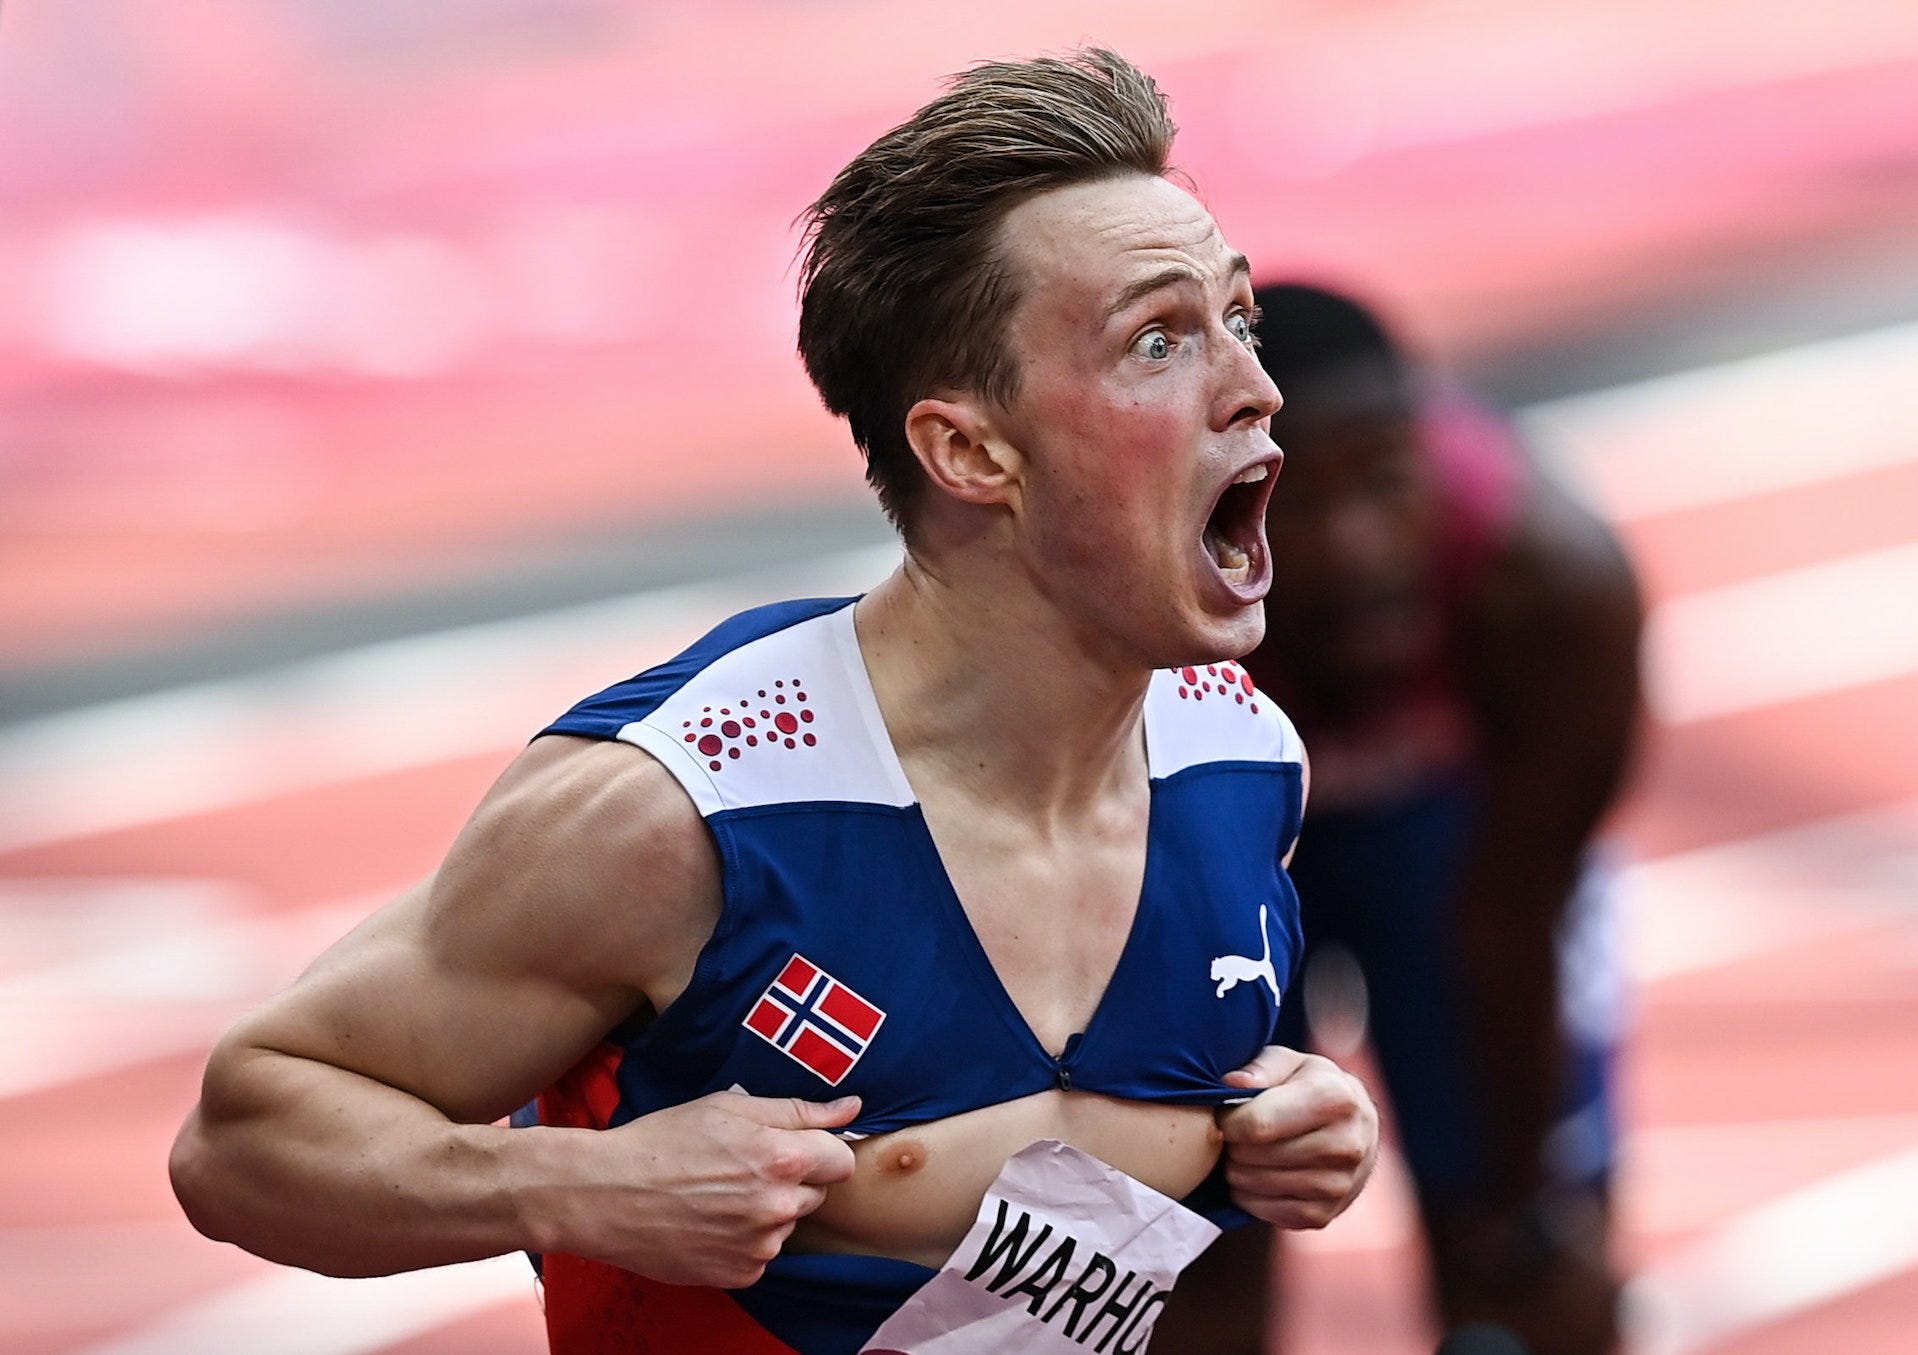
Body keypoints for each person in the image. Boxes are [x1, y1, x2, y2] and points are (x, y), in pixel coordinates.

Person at [169, 51, 1380, 1355]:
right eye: (1158, 338)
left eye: (1236, 321)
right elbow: (243, 1136)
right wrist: (581, 1187)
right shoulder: (687, 813)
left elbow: (1070, 1197)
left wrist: (1289, 1125)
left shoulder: (1241, 760)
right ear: (970, 450)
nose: (1255, 387)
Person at [1241, 283, 1644, 1355]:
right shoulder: (1131, 602)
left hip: (1448, 840)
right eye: (1295, 499)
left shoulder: (1551, 585)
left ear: (1425, 449)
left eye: (1381, 478)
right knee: (1185, 1242)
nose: (1355, 544)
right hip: (1223, 849)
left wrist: (1516, 1202)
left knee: (1533, 1249)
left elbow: (1518, 910)